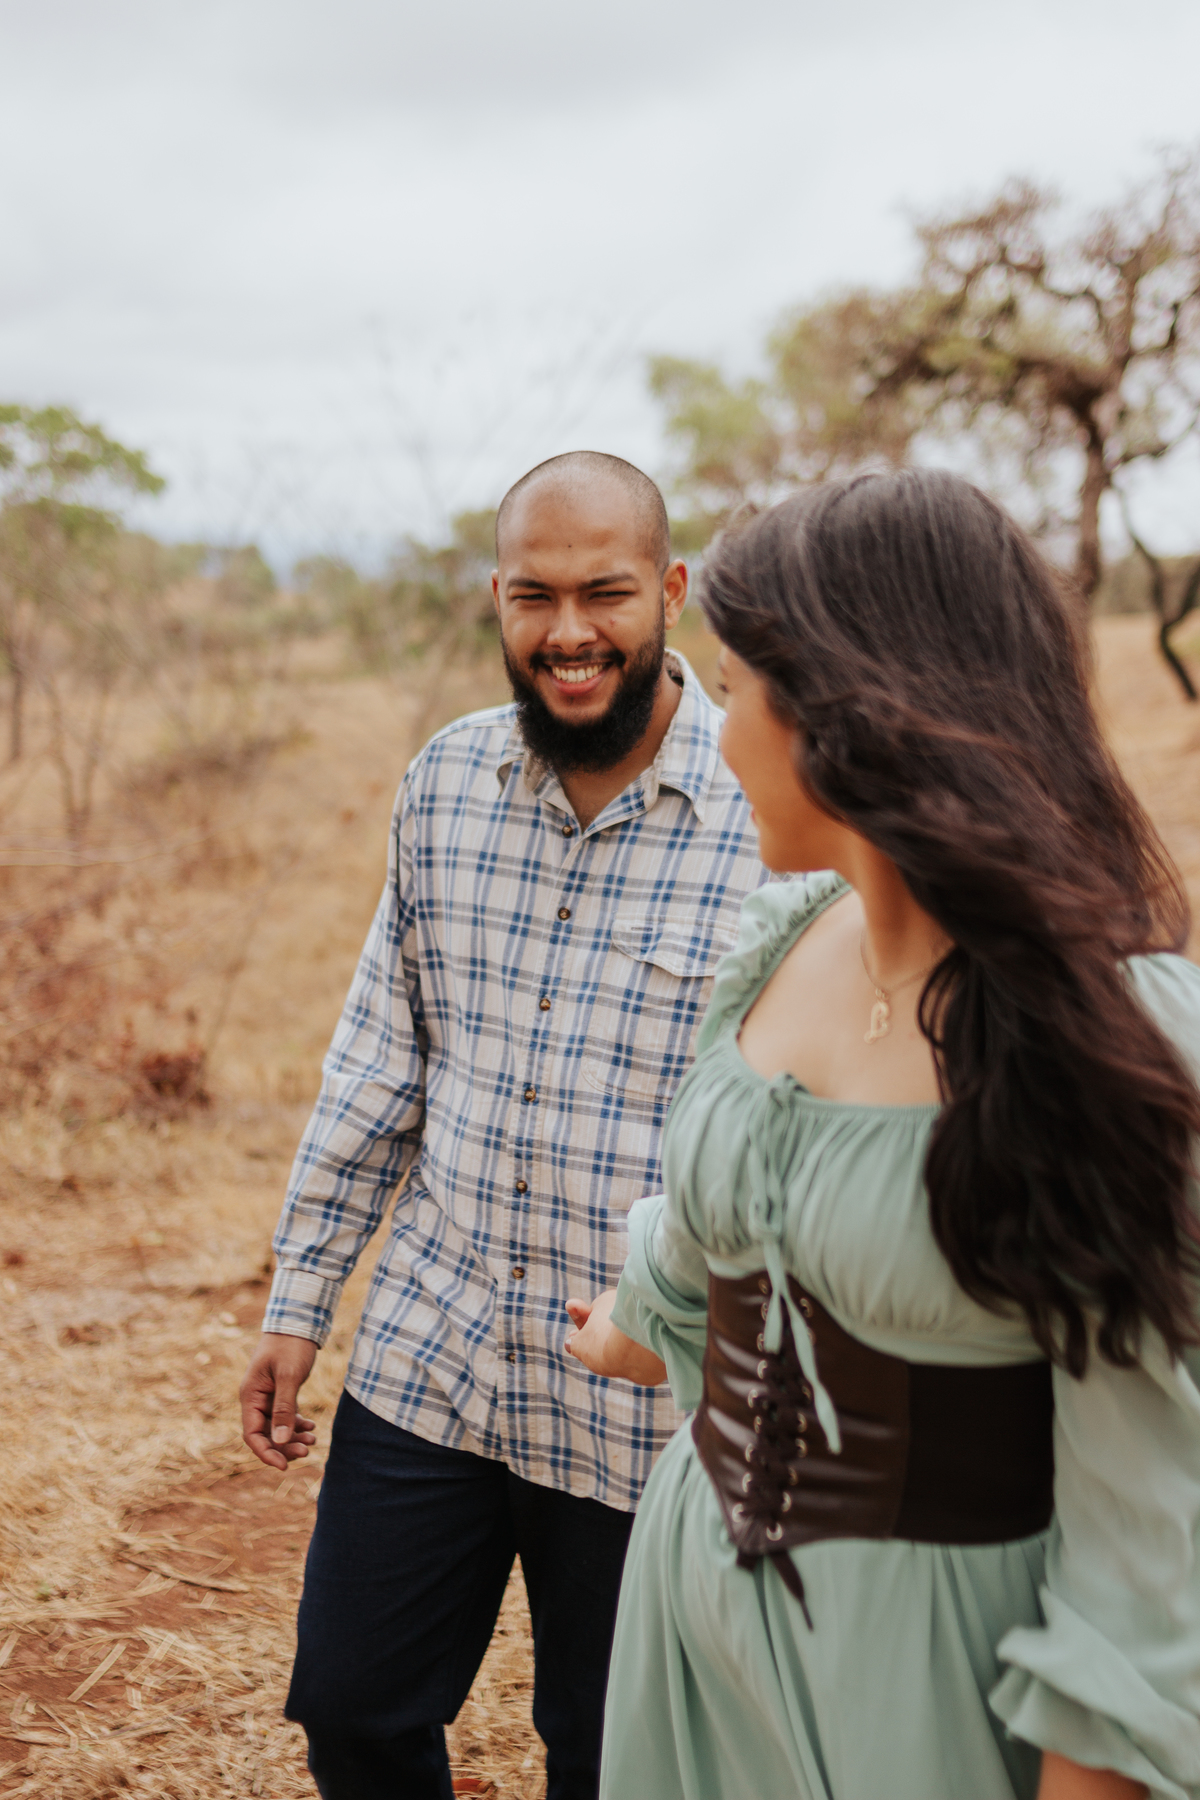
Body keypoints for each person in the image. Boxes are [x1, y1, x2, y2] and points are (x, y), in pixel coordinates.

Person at [566, 469, 1200, 1800]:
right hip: (694, 1618)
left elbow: (1154, 1534)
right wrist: (641, 1316)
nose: (717, 735)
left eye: (737, 690)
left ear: (854, 713)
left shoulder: (1105, 1039)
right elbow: (718, 1218)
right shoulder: (780, 943)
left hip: (928, 1685)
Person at [238, 450, 766, 1800]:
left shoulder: (769, 813)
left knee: (612, 1761)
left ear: (673, 592)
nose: (570, 633)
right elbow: (380, 1057)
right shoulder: (449, 780)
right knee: (352, 1710)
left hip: (642, 1397)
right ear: (497, 597)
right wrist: (301, 1299)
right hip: (436, 1354)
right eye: (535, 596)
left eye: (606, 594)